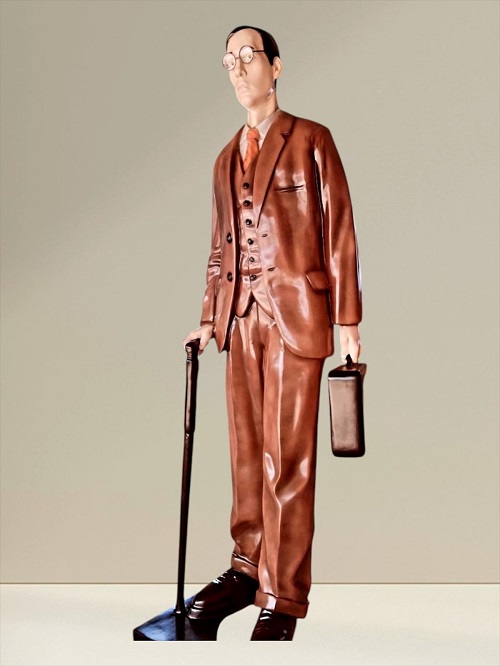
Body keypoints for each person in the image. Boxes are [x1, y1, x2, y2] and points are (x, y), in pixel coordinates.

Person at [182, 24, 362, 641]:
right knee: (245, 455)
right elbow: (219, 248)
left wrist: (348, 320)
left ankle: (282, 594)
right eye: (229, 60)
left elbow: (340, 229)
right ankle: (245, 568)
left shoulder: (311, 139)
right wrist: (210, 317)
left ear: (276, 66)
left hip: (296, 316)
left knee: (288, 459)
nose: (238, 69)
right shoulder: (223, 158)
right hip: (241, 320)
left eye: (248, 56)